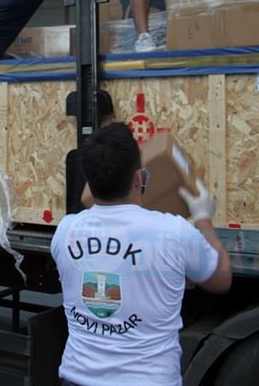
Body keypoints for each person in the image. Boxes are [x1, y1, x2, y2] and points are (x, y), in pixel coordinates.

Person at [51, 123, 232, 385]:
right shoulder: (174, 232)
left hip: (77, 377)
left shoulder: (65, 231)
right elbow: (221, 280)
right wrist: (204, 218)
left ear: (90, 182)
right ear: (139, 178)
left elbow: (108, 267)